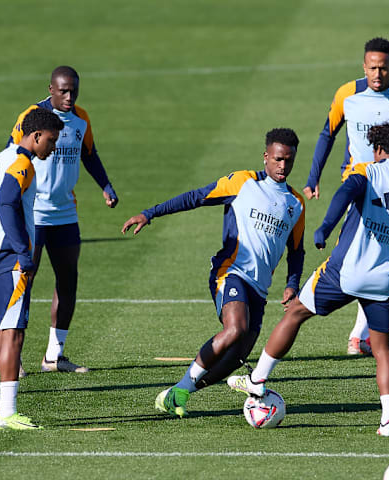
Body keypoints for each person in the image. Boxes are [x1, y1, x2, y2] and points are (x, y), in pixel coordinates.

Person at [228, 123, 389, 436]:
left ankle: (257, 379)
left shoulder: (368, 172)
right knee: (383, 350)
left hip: (344, 273)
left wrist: (325, 227)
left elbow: (344, 193)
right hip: (385, 282)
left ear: (377, 149)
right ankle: (388, 422)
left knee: (295, 312)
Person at [122, 128, 306, 417]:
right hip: (229, 271)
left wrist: (292, 284)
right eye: (278, 159)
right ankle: (180, 389)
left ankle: (179, 391)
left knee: (237, 356)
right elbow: (197, 197)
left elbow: (297, 251)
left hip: (259, 288)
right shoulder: (242, 182)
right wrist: (150, 213)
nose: (283, 166)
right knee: (235, 329)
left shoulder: (296, 203)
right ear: (266, 156)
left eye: (289, 161)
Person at [304, 37, 389, 355]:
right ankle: (339, 322)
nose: (377, 74)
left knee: (378, 252)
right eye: (372, 68)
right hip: (359, 183)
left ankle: (357, 333)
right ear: (363, 66)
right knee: (364, 252)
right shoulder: (347, 95)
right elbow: (328, 133)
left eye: (383, 68)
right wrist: (313, 178)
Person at [8, 66, 118, 375]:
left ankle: (54, 356)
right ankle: (12, 356)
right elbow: (11, 154)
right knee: (23, 283)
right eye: (64, 91)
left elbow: (89, 154)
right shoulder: (31, 117)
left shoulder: (81, 118)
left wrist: (105, 186)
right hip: (33, 214)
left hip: (65, 214)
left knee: (68, 280)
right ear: (51, 89)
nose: (69, 97)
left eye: (74, 91)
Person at [0, 108, 64, 430]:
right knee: (15, 334)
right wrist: (24, 251)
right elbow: (6, 202)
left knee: (5, 330)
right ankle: (7, 412)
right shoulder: (23, 164)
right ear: (35, 136)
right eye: (51, 140)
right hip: (9, 260)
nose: (53, 147)